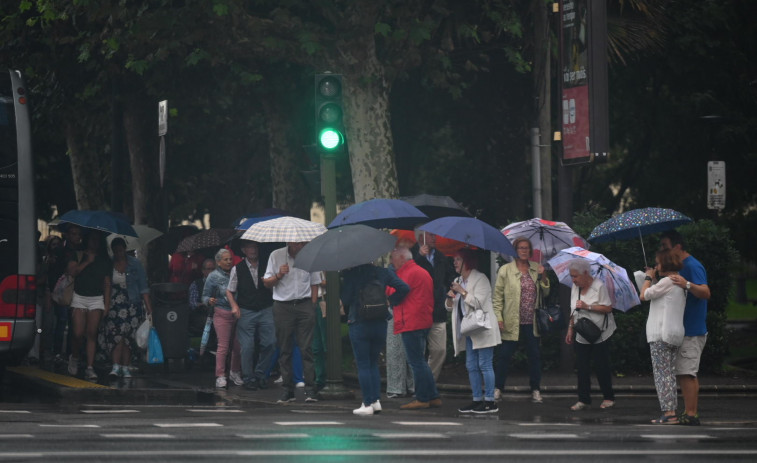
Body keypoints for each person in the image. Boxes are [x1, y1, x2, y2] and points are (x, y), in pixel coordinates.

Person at [342, 263, 410, 415]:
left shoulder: (352, 274)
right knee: (373, 363)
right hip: (380, 322)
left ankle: (367, 403)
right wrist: (390, 301)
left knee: (363, 364)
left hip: (359, 322)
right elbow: (404, 287)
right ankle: (375, 400)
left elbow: (345, 299)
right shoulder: (383, 272)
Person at [659, 230, 710, 426]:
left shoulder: (692, 265)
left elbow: (705, 292)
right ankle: (688, 413)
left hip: (692, 329)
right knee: (682, 372)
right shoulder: (679, 266)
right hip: (682, 328)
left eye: (666, 246)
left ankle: (691, 414)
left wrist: (686, 284)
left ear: (678, 247)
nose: (663, 250)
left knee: (687, 372)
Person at [492, 237, 550, 403]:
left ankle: (536, 389)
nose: (524, 250)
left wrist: (543, 274)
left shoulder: (535, 268)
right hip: (511, 320)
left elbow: (545, 293)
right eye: (521, 248)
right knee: (504, 356)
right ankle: (498, 388)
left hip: (532, 322)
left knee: (534, 356)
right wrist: (499, 317)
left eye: (526, 248)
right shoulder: (505, 270)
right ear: (515, 250)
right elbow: (497, 298)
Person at [263, 241, 322, 403]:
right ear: (289, 242)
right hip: (283, 305)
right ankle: (287, 390)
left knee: (306, 348)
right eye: (297, 244)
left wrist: (312, 304)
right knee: (285, 349)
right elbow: (266, 282)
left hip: (304, 304)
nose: (301, 246)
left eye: (303, 243)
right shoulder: (276, 255)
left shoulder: (310, 256)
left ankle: (311, 390)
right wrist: (279, 275)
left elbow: (315, 282)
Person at [446, 248, 501, 414]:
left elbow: (479, 304)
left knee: (484, 364)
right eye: (454, 259)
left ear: (467, 261)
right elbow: (450, 308)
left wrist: (462, 292)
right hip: (469, 330)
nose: (454, 262)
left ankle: (490, 401)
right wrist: (450, 297)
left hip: (482, 329)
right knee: (471, 365)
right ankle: (477, 399)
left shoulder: (480, 278)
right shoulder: (458, 280)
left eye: (457, 259)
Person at [389, 246, 441, 410]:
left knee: (416, 362)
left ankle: (422, 397)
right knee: (421, 361)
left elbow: (391, 292)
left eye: (393, 258)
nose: (392, 262)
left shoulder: (406, 273)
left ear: (402, 258)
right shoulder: (421, 271)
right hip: (422, 319)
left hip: (410, 321)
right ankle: (432, 395)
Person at [640, 248, 686, 424]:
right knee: (669, 374)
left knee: (662, 375)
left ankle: (669, 413)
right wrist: (652, 278)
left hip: (661, 334)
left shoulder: (667, 281)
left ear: (665, 264)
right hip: (674, 333)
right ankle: (671, 411)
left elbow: (644, 295)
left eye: (658, 263)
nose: (656, 266)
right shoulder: (678, 281)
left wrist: (647, 278)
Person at [565, 259, 616, 410]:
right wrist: (570, 328)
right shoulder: (575, 288)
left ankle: (608, 397)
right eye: (571, 276)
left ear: (586, 273)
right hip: (582, 332)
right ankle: (583, 399)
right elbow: (573, 309)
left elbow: (608, 308)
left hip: (600, 333)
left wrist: (588, 306)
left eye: (575, 276)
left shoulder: (599, 286)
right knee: (582, 367)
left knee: (602, 365)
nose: (573, 279)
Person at [226, 240, 275, 391]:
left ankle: (260, 374)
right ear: (243, 250)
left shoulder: (267, 265)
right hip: (246, 310)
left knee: (271, 342)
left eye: (254, 247)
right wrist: (234, 306)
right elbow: (229, 290)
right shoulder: (237, 268)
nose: (252, 250)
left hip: (266, 307)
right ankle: (248, 377)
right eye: (249, 247)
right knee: (247, 346)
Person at [101, 238, 153, 378]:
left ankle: (125, 366)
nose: (118, 253)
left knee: (129, 337)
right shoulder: (109, 264)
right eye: (115, 250)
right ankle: (116, 365)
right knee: (116, 335)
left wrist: (149, 309)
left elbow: (143, 287)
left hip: (132, 303)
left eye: (120, 250)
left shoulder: (135, 264)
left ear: (125, 249)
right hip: (114, 304)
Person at [67, 230, 112, 381]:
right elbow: (73, 272)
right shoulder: (78, 254)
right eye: (92, 239)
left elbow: (106, 283)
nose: (95, 243)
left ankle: (89, 367)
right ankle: (74, 356)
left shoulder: (105, 259)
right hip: (79, 297)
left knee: (92, 333)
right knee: (78, 333)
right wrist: (87, 261)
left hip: (97, 298)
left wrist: (106, 304)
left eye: (98, 240)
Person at [411, 228, 455, 381]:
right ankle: (421, 387)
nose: (434, 237)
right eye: (431, 234)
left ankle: (428, 382)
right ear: (420, 236)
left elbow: (449, 278)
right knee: (418, 352)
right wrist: (419, 257)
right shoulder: (411, 255)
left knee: (440, 349)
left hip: (437, 310)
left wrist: (452, 289)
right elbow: (406, 277)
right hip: (418, 310)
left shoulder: (441, 257)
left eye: (435, 234)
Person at [202, 249, 242, 389]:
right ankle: (220, 375)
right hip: (221, 312)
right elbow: (205, 296)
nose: (229, 262)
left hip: (237, 313)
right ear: (218, 262)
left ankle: (234, 371)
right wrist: (209, 300)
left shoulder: (236, 272)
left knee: (238, 346)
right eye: (225, 259)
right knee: (223, 346)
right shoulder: (213, 276)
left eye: (230, 259)